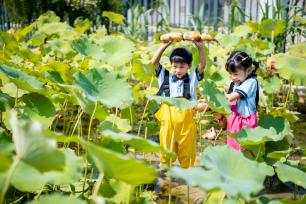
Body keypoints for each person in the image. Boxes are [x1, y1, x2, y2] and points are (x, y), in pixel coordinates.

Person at [151, 41, 206, 168]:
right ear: (171, 65)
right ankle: (165, 180)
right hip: (168, 122)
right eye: (175, 66)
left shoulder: (193, 79)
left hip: (186, 123)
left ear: (189, 66)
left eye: (182, 67)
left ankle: (187, 181)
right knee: (166, 152)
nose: (178, 70)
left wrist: (200, 47)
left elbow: (202, 65)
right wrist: (165, 44)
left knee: (187, 153)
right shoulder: (164, 76)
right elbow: (154, 62)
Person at [225, 51, 260, 152]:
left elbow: (232, 97)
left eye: (235, 74)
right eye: (230, 74)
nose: (232, 77)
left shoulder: (251, 82)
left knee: (244, 152)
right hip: (234, 119)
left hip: (246, 122)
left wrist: (212, 101)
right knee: (232, 150)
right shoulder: (236, 81)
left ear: (248, 70)